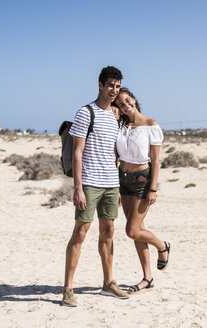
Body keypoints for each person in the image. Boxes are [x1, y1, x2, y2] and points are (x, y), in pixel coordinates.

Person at [63, 66, 129, 307]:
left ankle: (108, 282)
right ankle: (68, 288)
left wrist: (119, 187)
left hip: (111, 183)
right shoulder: (85, 112)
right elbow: (77, 153)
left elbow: (113, 154)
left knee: (109, 232)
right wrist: (77, 187)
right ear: (100, 85)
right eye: (110, 85)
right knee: (80, 233)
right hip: (90, 183)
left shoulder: (115, 115)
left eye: (118, 86)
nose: (114, 90)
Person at [114, 87, 170, 293]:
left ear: (134, 100)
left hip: (141, 180)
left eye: (127, 100)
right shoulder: (120, 126)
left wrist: (153, 188)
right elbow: (116, 157)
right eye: (120, 104)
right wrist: (116, 186)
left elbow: (155, 160)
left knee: (132, 231)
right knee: (137, 231)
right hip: (122, 180)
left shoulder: (150, 125)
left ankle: (162, 246)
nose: (125, 105)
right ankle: (147, 278)